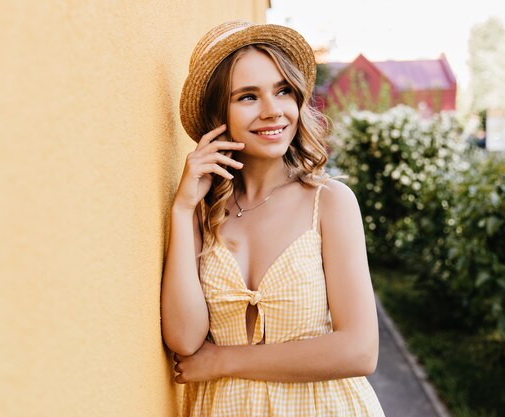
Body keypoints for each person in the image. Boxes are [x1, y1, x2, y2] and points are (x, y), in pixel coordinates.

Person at [161, 20, 385, 416]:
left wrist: (224, 361)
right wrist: (181, 210)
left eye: (282, 91)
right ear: (219, 115)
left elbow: (359, 350)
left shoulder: (329, 203)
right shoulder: (201, 211)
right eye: (247, 97)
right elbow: (183, 339)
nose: (273, 111)